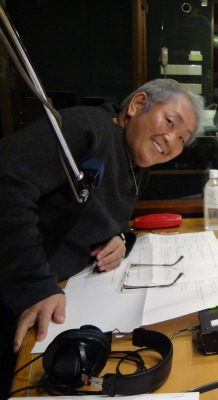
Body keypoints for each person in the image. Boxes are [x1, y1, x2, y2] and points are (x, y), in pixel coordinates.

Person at [0, 78, 204, 396]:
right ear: (137, 105)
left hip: (62, 289)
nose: (171, 141)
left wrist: (121, 238)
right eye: (169, 122)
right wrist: (34, 286)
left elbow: (108, 218)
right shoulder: (85, 128)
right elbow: (7, 183)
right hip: (18, 293)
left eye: (181, 138)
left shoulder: (138, 167)